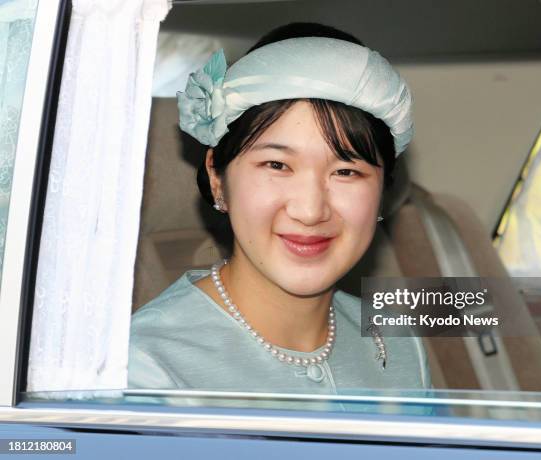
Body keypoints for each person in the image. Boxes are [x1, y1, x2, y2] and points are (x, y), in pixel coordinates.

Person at [128, 22, 432, 409]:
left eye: (346, 172)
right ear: (217, 177)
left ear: (382, 190)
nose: (309, 211)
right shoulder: (144, 371)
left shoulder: (399, 347)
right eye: (276, 164)